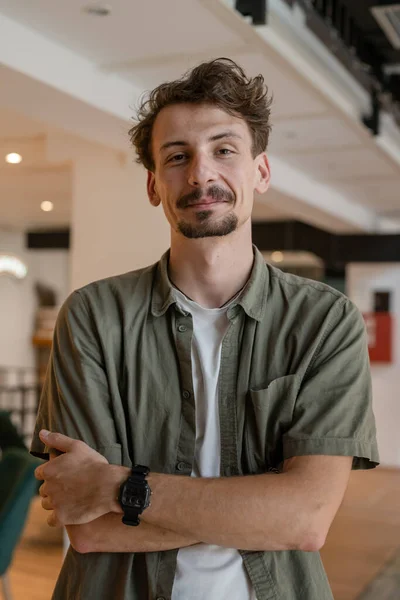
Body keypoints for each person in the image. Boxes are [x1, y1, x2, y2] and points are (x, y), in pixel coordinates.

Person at [31, 58, 379, 600]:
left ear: (260, 172)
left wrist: (118, 488)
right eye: (177, 157)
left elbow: (305, 520)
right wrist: (258, 509)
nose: (200, 174)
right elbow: (89, 527)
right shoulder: (93, 316)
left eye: (224, 150)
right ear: (153, 184)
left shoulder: (324, 322)